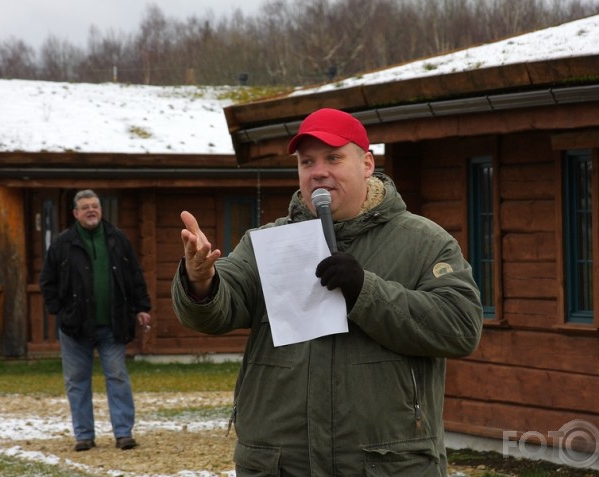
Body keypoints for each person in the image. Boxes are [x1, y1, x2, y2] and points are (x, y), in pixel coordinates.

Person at [171, 108, 483, 476]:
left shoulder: (424, 242)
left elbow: (460, 327)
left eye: (333, 158)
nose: (318, 171)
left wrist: (364, 290)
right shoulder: (269, 244)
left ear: (367, 163)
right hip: (280, 463)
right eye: (307, 162)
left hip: (386, 464)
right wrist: (200, 280)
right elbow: (221, 306)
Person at [39, 189, 152, 452]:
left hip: (113, 324)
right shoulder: (62, 243)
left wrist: (142, 307)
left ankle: (123, 433)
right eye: (85, 207)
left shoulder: (117, 239)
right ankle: (84, 435)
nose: (91, 210)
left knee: (118, 376)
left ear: (101, 210)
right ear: (75, 213)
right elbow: (47, 280)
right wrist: (59, 309)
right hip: (75, 326)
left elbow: (135, 274)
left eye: (95, 206)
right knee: (77, 381)